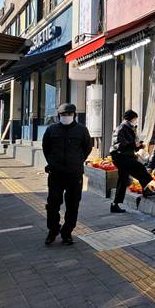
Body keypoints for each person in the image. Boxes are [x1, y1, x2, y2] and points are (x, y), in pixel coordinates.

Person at [42, 103, 93, 246]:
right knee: (52, 205)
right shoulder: (52, 129)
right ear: (59, 116)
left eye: (69, 114)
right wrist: (52, 162)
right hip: (56, 174)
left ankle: (67, 232)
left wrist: (77, 161)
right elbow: (46, 148)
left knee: (73, 205)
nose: (66, 117)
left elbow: (87, 148)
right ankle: (53, 230)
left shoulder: (82, 130)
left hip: (74, 175)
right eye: (63, 115)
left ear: (74, 115)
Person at [110, 110, 153, 213]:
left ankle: (115, 204)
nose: (136, 121)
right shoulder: (121, 128)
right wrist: (135, 145)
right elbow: (119, 144)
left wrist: (139, 146)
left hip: (125, 156)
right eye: (135, 119)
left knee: (123, 179)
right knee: (140, 168)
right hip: (121, 157)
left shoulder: (129, 128)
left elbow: (130, 145)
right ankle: (146, 189)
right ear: (131, 119)